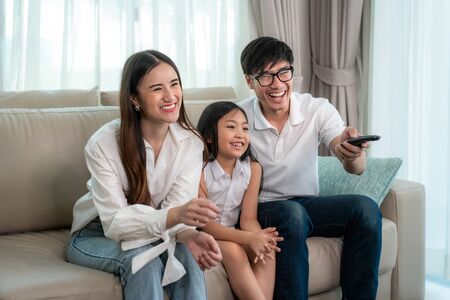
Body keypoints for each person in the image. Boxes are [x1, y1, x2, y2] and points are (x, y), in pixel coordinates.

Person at [66, 50, 222, 300]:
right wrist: (176, 216)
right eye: (157, 88)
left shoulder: (191, 143)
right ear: (134, 99)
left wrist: (189, 233)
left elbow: (175, 210)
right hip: (96, 233)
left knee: (188, 259)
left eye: (174, 84)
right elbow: (116, 223)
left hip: (160, 229)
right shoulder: (103, 144)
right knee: (143, 262)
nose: (171, 96)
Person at [238, 36, 382, 300]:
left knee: (366, 209)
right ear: (249, 81)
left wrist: (350, 151)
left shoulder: (316, 109)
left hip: (305, 204)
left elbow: (356, 168)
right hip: (262, 207)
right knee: (293, 215)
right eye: (266, 77)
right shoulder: (237, 117)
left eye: (284, 72)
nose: (278, 84)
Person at [196, 101, 283, 300]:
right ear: (209, 136)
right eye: (230, 127)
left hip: (233, 232)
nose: (240, 134)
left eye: (245, 128)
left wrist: (259, 238)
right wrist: (248, 238)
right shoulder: (199, 170)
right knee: (235, 252)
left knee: (267, 250)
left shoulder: (252, 168)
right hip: (205, 235)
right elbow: (204, 225)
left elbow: (248, 219)